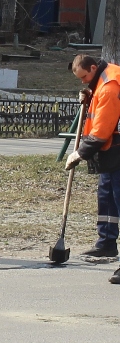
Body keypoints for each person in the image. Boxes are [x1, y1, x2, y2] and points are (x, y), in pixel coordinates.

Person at [64, 54, 120, 284]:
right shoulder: (102, 81)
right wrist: (90, 95)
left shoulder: (109, 86)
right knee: (106, 196)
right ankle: (106, 243)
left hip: (116, 144)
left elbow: (102, 130)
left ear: (94, 68)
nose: (83, 82)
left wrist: (80, 153)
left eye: (85, 77)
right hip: (113, 149)